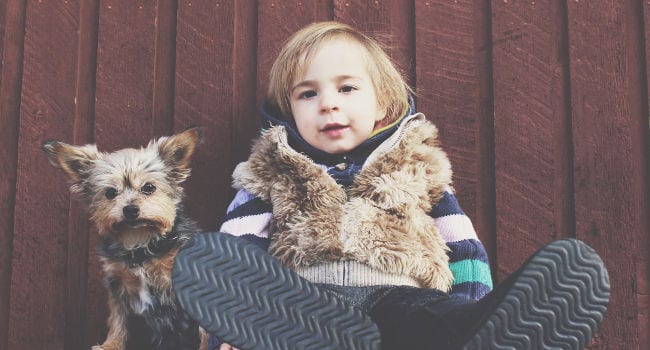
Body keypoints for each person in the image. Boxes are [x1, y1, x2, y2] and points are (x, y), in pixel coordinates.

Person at [171, 21, 610, 350]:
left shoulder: (416, 167)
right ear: (287, 112)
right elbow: (230, 263)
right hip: (302, 303)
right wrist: (225, 333)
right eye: (307, 94)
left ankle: (480, 331)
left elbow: (464, 250)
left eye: (346, 88)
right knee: (238, 279)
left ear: (382, 103)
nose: (328, 103)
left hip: (396, 296)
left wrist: (469, 305)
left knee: (431, 319)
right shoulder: (271, 170)